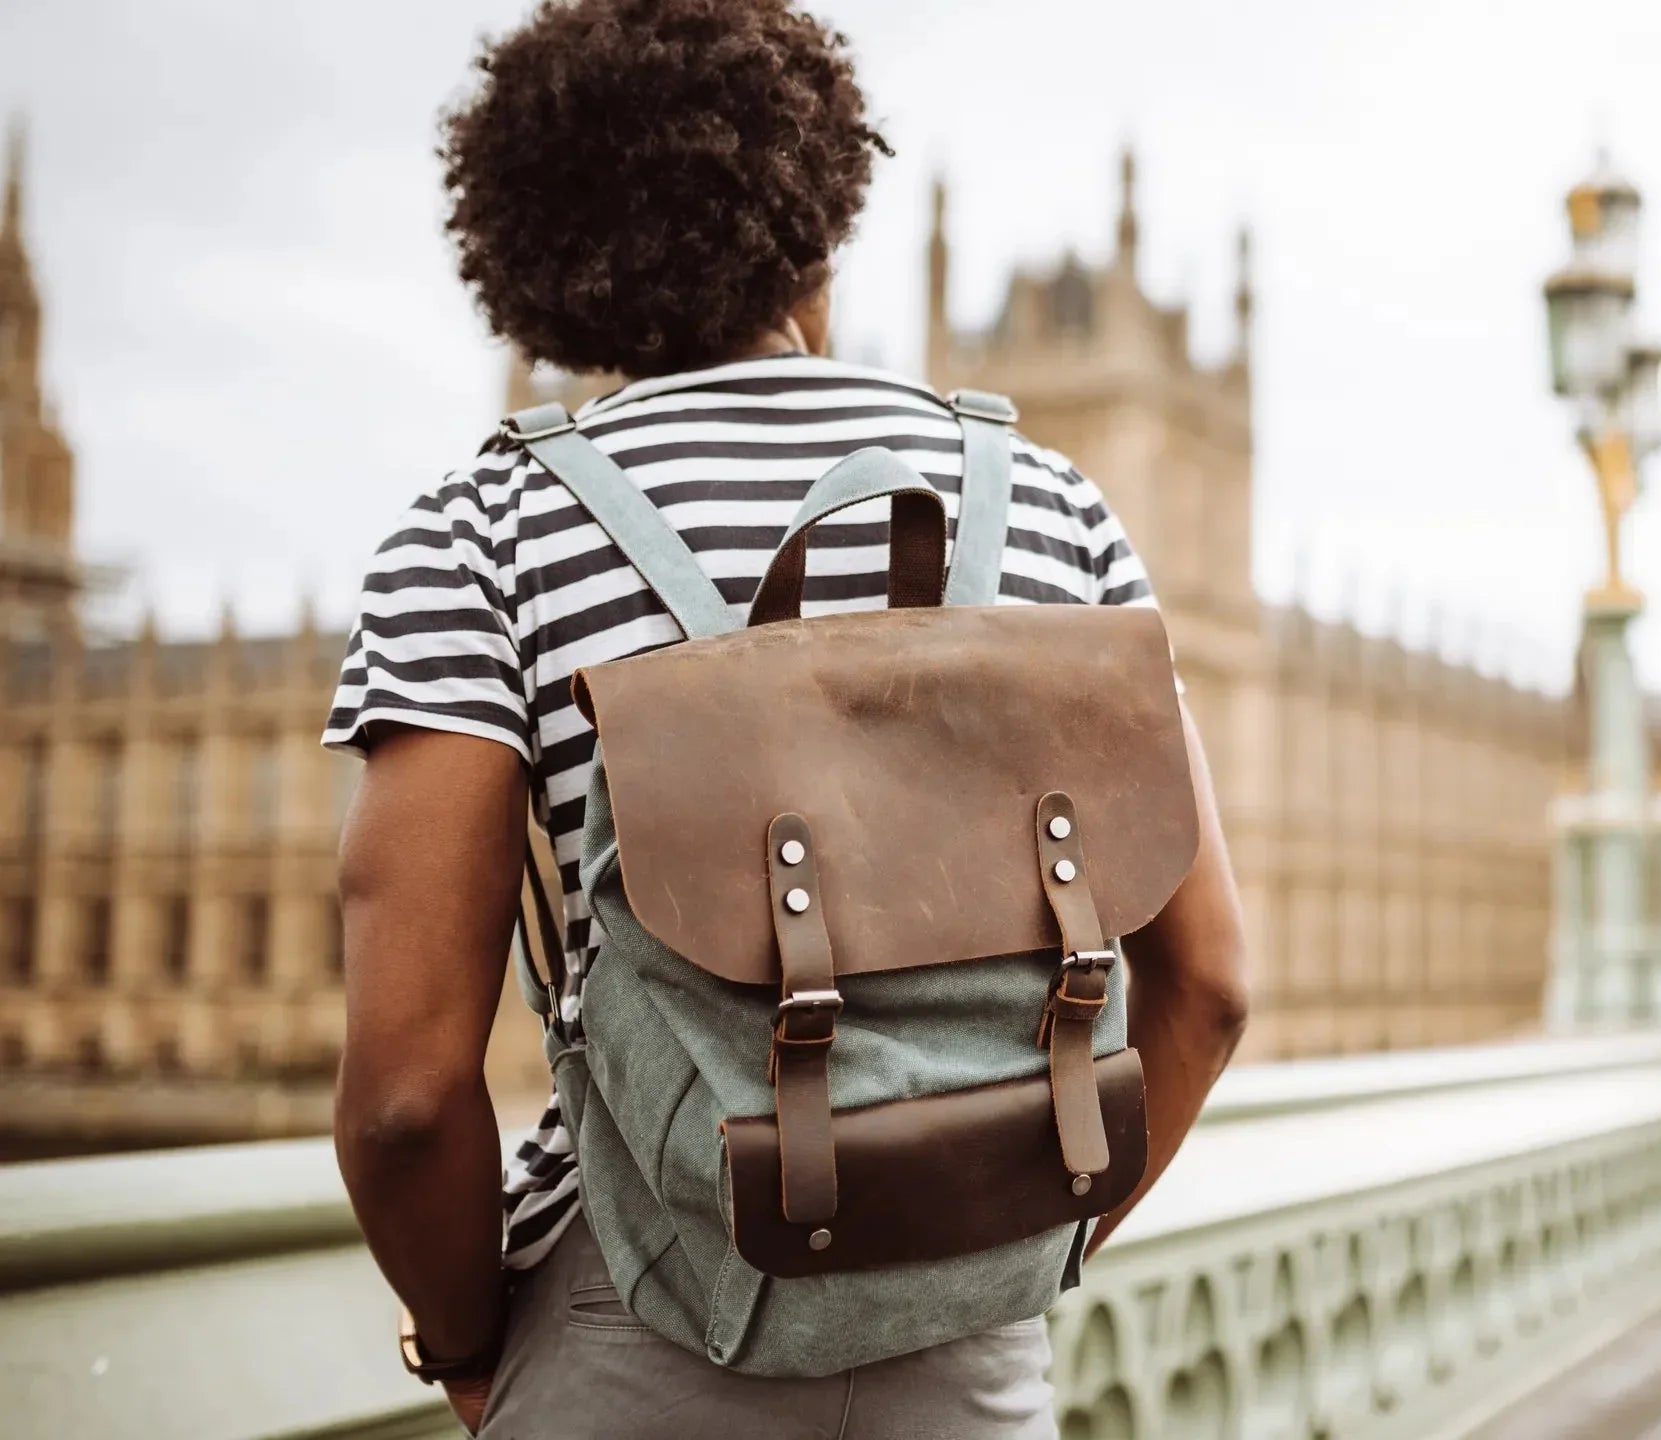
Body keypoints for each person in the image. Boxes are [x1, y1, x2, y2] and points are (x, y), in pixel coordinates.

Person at [326, 4, 1252, 1434]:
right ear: (818, 237)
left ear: (536, 264)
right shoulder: (1053, 505)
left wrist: (462, 1349)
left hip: (629, 1326)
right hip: (973, 1347)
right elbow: (1210, 984)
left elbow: (402, 1099)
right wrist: (997, 1251)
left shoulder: (482, 530)